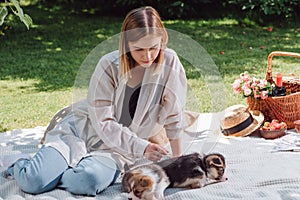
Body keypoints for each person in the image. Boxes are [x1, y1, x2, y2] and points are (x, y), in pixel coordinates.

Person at [5, 6, 187, 196]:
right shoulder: (108, 65)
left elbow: (174, 113)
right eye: (139, 49)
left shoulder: (170, 63)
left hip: (117, 149)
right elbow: (103, 123)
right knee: (34, 182)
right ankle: (21, 166)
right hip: (80, 133)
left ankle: (58, 173)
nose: (148, 56)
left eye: (154, 48)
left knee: (87, 182)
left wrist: (178, 159)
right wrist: (143, 147)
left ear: (162, 42)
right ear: (126, 44)